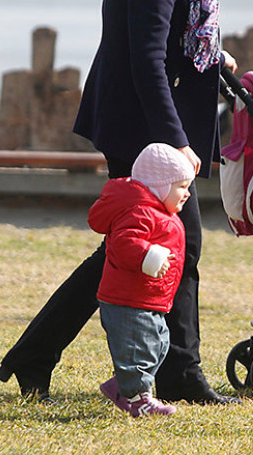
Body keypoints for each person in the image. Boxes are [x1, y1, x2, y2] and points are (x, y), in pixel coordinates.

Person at [0, 0, 239, 405]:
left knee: (130, 248)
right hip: (144, 131)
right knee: (182, 242)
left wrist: (217, 59)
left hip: (144, 123)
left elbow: (173, 42)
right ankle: (182, 372)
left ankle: (35, 355)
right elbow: (147, 61)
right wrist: (176, 141)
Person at [93, 143, 195, 418]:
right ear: (160, 186)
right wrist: (147, 254)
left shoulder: (158, 210)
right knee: (141, 349)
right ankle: (139, 399)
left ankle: (120, 387)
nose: (186, 194)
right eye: (181, 187)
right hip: (127, 299)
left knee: (159, 343)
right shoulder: (140, 211)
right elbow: (125, 242)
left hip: (147, 297)